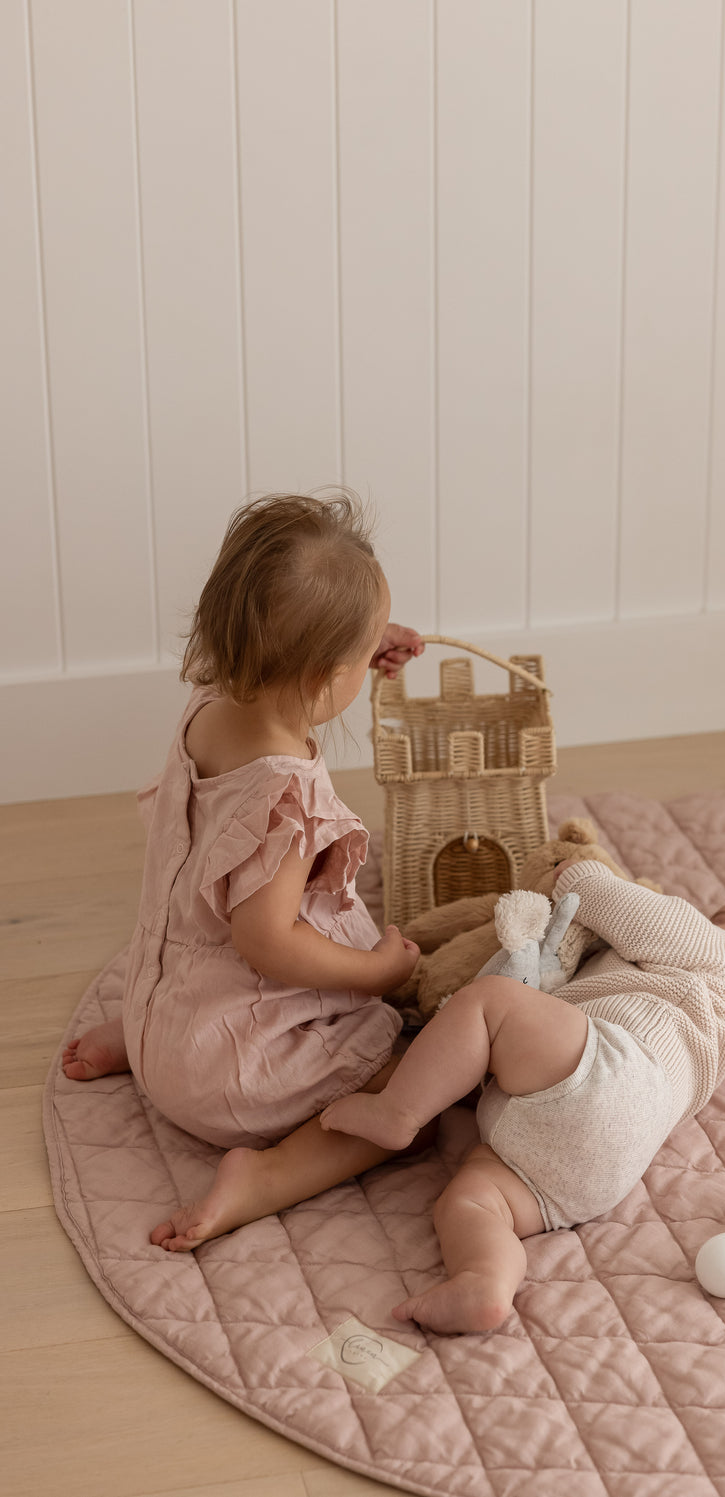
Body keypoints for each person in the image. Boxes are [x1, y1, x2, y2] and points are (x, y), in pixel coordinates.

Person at [62, 492, 429, 1248]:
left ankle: (141, 1037)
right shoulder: (285, 791)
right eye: (363, 657)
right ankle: (265, 1177)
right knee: (410, 1095)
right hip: (227, 1077)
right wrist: (372, 973)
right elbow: (266, 940)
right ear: (327, 676)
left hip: (162, 1012)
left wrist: (357, 644)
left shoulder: (209, 705)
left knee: (193, 953)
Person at [322, 860, 725, 1334]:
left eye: (718, 916)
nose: (706, 921)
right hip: (606, 1169)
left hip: (607, 1067)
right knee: (474, 1202)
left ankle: (397, 1110)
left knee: (491, 1002)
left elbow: (633, 913)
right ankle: (483, 1281)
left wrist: (580, 875)